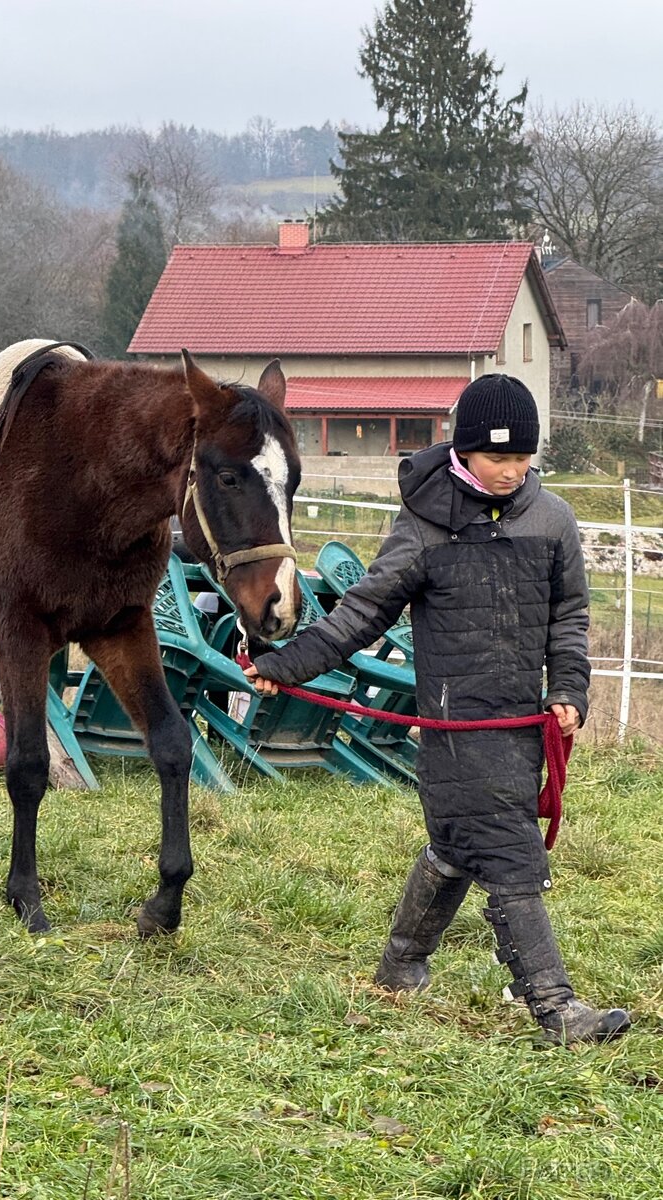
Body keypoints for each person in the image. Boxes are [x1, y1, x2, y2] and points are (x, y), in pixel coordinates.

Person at [244, 375, 630, 1045]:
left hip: (517, 724)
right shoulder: (425, 524)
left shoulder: (553, 520)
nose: (511, 471)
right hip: (455, 726)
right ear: (464, 451)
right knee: (510, 854)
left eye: (522, 458)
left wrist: (569, 690)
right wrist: (286, 664)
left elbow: (570, 616)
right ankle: (556, 1008)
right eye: (497, 458)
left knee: (455, 847)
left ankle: (400, 966)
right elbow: (363, 613)